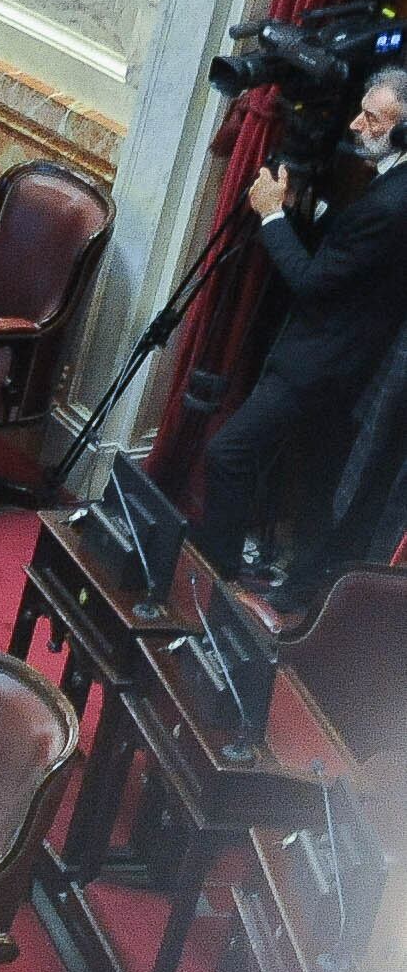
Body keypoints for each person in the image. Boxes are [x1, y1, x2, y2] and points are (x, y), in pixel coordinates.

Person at [197, 67, 407, 584]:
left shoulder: (393, 203)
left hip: (318, 366)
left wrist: (270, 217)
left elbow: (314, 283)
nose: (357, 124)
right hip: (341, 368)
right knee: (315, 484)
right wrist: (293, 215)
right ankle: (304, 590)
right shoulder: (390, 185)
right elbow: (341, 257)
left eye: (373, 117)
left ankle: (213, 576)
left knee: (229, 454)